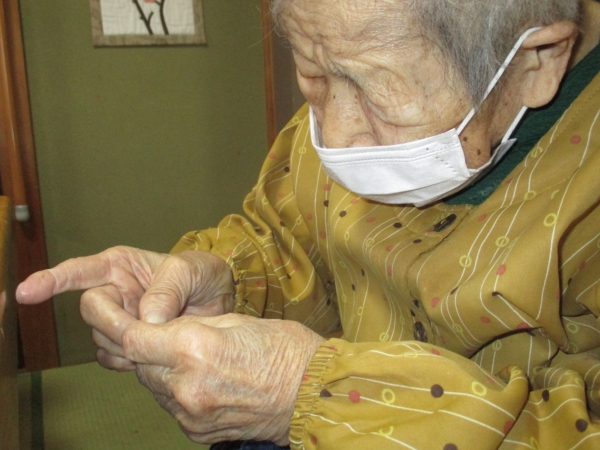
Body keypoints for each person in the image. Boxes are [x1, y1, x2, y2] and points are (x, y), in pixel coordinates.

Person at [17, 0, 600, 448]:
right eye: (311, 77)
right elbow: (296, 237)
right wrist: (230, 281)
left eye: (379, 96)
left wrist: (317, 394)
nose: (336, 136)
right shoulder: (355, 69)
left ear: (536, 61)